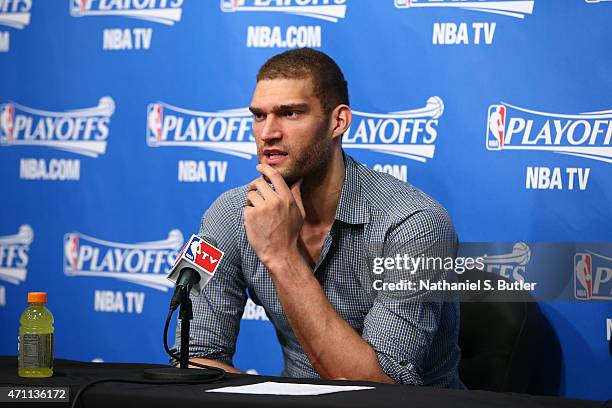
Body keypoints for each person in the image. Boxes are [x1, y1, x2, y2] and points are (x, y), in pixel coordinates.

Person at [173, 48, 463, 388]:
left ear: (337, 122)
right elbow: (193, 355)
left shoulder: (416, 223)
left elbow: (381, 388)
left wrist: (282, 256)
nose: (267, 133)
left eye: (290, 113)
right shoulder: (228, 214)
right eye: (258, 116)